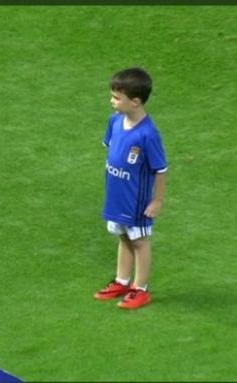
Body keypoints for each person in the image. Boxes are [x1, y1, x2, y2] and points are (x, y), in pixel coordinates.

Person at [93, 67, 168, 309]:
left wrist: (157, 200)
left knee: (140, 241)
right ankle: (122, 280)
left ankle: (140, 289)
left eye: (116, 97)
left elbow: (161, 169)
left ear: (135, 102)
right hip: (117, 195)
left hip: (137, 201)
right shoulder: (114, 122)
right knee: (123, 237)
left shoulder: (148, 135)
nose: (111, 101)